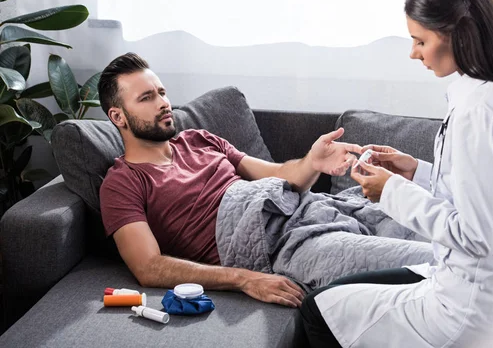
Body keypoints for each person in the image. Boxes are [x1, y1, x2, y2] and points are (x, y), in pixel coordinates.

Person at [299, 0, 493, 348]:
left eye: (420, 41)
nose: (413, 53)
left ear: (457, 35)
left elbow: (475, 235)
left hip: (470, 312)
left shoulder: (477, 110)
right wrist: (415, 170)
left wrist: (390, 191)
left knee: (316, 312)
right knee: (337, 292)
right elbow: (492, 196)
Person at [98, 52, 364, 309]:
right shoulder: (122, 182)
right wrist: (244, 279)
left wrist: (313, 162)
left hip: (308, 211)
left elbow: (282, 176)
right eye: (146, 98)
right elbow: (148, 266)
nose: (163, 103)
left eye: (162, 93)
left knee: (400, 221)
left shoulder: (199, 140)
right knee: (397, 263)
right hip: (276, 244)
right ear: (118, 116)